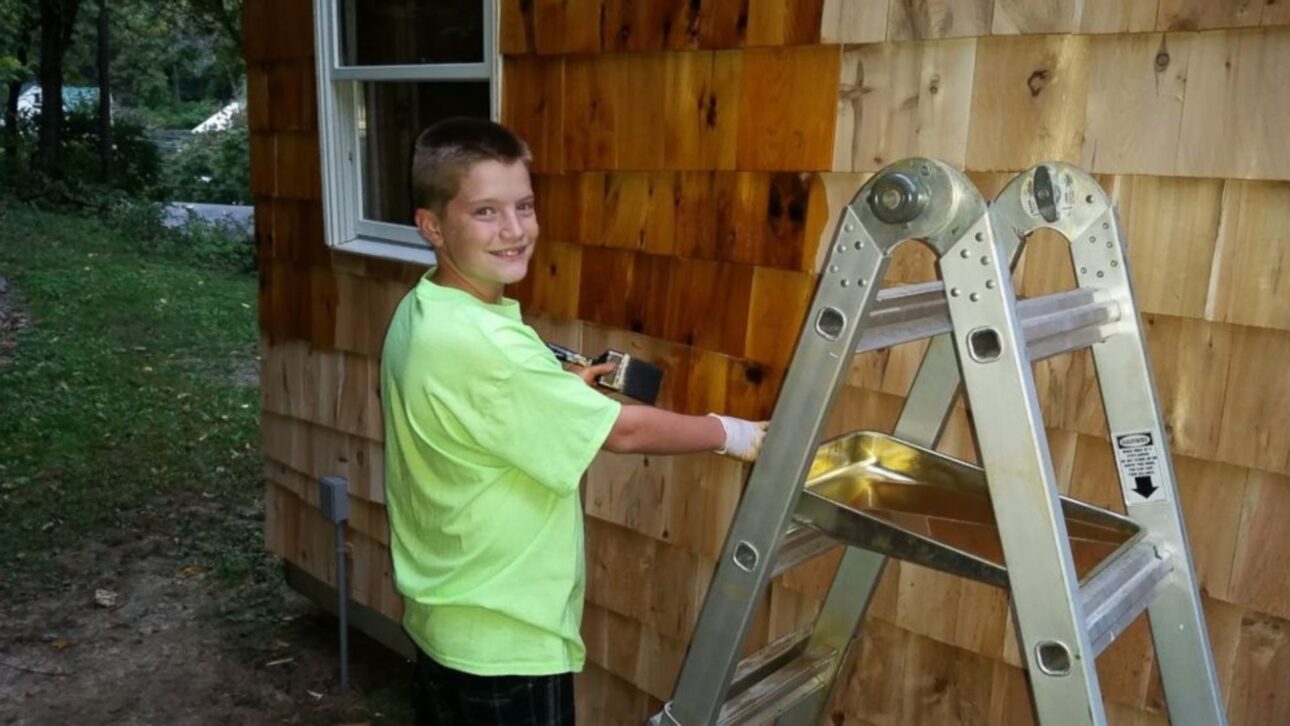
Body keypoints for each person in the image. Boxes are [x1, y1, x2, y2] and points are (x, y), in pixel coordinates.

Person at [380, 117, 768, 726]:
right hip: (505, 642)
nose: (515, 230)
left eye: (524, 205)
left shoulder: (426, 308)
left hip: (449, 620)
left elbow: (486, 405)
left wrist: (552, 389)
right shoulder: (488, 347)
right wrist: (738, 434)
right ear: (431, 226)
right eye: (485, 212)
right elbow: (624, 431)